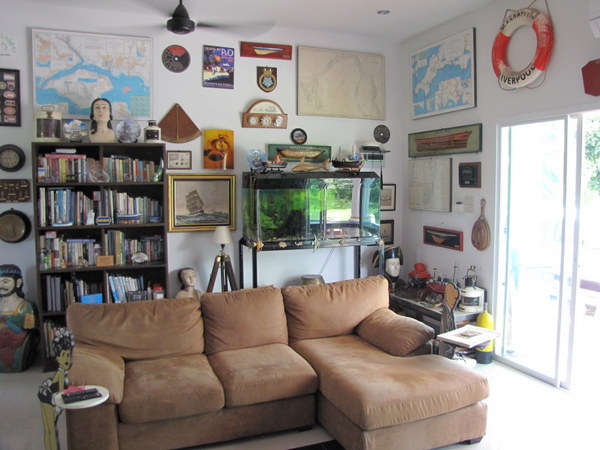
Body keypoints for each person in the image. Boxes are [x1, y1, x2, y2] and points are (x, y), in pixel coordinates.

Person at [38, 328, 74, 450]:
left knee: (51, 429)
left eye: (68, 355)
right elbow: (60, 394)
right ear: (58, 358)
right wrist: (58, 409)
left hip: (53, 398)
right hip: (47, 398)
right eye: (63, 355)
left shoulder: (65, 374)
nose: (66, 359)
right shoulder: (60, 374)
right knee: (50, 430)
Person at [0, 264, 38, 372]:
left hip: (17, 339)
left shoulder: (26, 306)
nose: (1, 285)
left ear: (18, 283)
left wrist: (7, 323)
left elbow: (29, 330)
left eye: (5, 281)